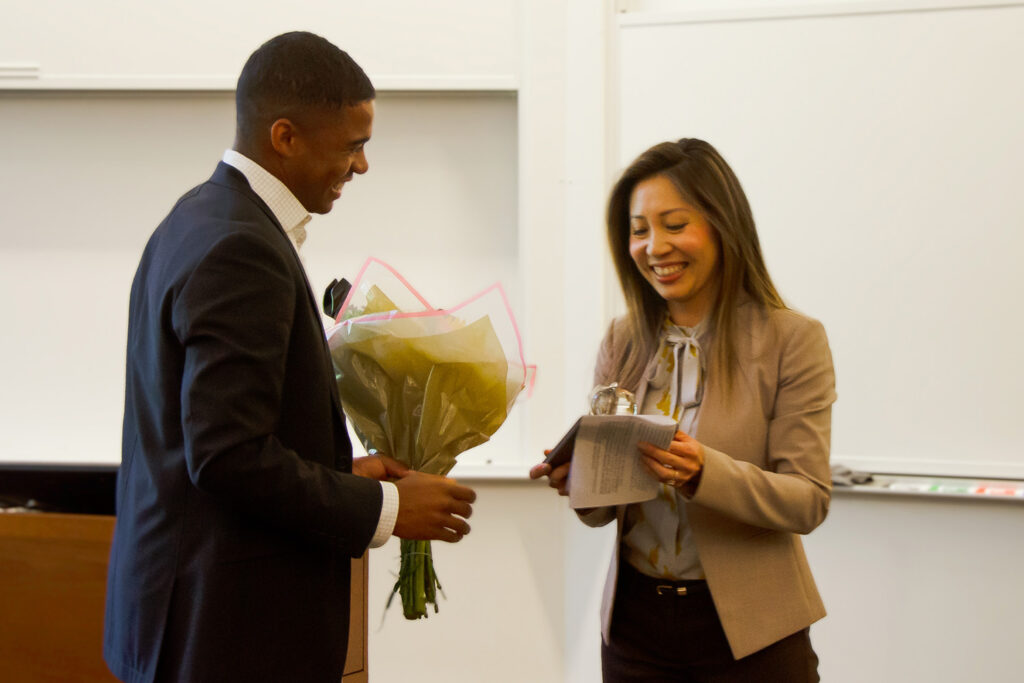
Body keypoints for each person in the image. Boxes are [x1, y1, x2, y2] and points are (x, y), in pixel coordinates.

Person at [104, 31, 476, 683]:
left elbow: (217, 434)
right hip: (229, 634)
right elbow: (227, 455)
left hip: (193, 618)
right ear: (285, 137)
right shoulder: (238, 247)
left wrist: (346, 470)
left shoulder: (198, 216)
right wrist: (387, 510)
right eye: (354, 144)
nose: (362, 166)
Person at [531, 138, 835, 681]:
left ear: (723, 225)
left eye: (674, 224)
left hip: (753, 633)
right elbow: (603, 513)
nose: (654, 246)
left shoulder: (792, 338)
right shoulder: (623, 340)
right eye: (639, 229)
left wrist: (705, 473)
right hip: (635, 630)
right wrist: (580, 478)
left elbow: (807, 500)